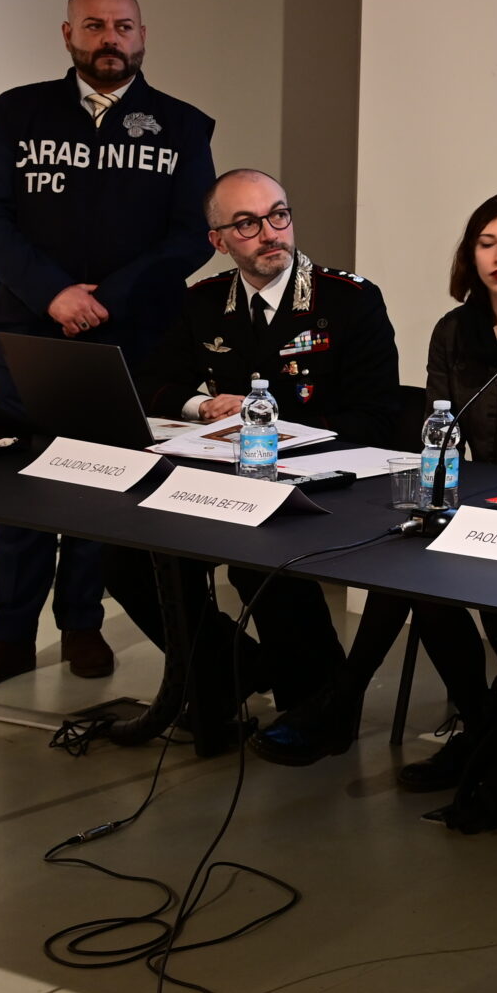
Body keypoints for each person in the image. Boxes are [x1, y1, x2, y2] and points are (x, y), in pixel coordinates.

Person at [250, 191, 497, 769]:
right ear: (470, 254)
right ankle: (480, 723)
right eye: (487, 243)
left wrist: (485, 486)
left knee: (418, 572)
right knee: (412, 569)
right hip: (468, 501)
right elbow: (437, 431)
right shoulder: (452, 331)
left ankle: (350, 700)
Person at [0, 0, 216, 695]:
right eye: (94, 25)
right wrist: (54, 293)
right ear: (67, 33)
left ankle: (83, 622)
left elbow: (194, 235)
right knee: (27, 486)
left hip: (133, 336)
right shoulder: (16, 113)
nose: (110, 38)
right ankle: (7, 635)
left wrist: (110, 299)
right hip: (26, 328)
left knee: (101, 488)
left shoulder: (184, 126)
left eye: (123, 25)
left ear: (144, 33)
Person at [134, 169, 399, 725]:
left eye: (279, 214)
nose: (271, 232)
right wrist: (201, 407)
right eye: (248, 224)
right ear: (219, 241)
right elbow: (153, 382)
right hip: (228, 474)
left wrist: (275, 429)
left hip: (324, 475)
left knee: (258, 561)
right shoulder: (204, 302)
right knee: (126, 551)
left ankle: (314, 704)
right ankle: (229, 670)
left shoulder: (349, 300)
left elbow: (377, 416)